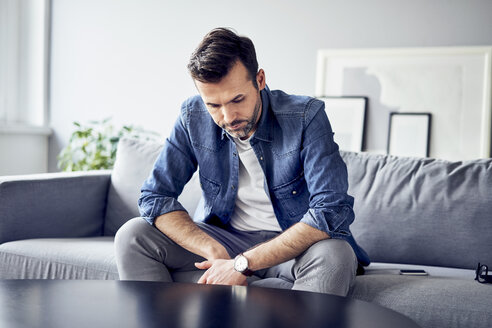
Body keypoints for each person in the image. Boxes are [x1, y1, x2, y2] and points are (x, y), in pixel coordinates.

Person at [115, 27, 369, 296]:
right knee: (133, 235)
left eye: (237, 99)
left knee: (335, 255)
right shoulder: (192, 116)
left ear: (259, 80)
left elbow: (330, 210)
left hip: (295, 246)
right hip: (225, 238)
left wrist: (242, 264)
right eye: (214, 105)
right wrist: (214, 251)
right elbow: (154, 196)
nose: (228, 116)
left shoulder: (306, 116)